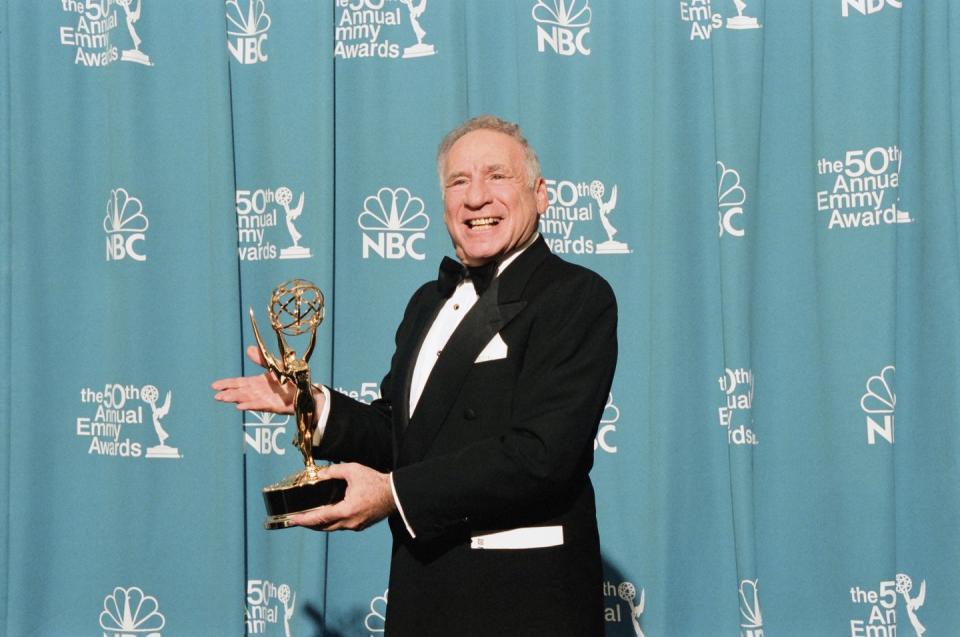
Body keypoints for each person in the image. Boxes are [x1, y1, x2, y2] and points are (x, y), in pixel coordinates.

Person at [213, 115, 618, 635]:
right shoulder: (427, 302)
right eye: (458, 182)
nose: (476, 198)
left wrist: (393, 495)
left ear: (540, 195)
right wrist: (307, 404)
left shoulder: (576, 295)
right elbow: (404, 437)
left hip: (522, 602)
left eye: (497, 176)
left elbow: (543, 455)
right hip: (422, 594)